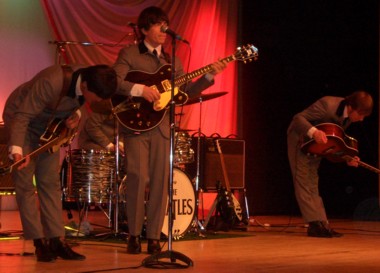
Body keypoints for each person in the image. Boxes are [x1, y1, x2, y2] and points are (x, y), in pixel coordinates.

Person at [113, 6, 228, 254]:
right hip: (136, 126)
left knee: (160, 182)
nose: (164, 29)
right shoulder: (130, 54)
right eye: (158, 24)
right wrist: (140, 90)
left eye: (165, 24)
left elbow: (185, 95)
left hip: (162, 127)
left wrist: (208, 77)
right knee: (136, 178)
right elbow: (115, 82)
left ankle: (154, 236)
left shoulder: (172, 61)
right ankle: (133, 234)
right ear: (144, 29)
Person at [2, 64, 117, 262]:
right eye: (97, 97)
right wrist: (17, 151)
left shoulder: (89, 83)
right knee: (26, 183)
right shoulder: (52, 81)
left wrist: (75, 116)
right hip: (21, 119)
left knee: (50, 183)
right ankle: (40, 242)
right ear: (86, 87)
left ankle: (57, 240)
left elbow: (77, 104)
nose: (98, 102)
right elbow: (23, 116)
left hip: (47, 125)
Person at [287, 90, 373, 238]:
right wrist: (314, 132)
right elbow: (298, 118)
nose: (361, 119)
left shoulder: (347, 118)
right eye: (361, 115)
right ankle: (314, 224)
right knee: (302, 181)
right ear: (351, 108)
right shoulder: (327, 105)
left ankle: (322, 223)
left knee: (313, 182)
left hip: (316, 146)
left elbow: (334, 144)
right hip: (300, 140)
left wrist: (348, 158)